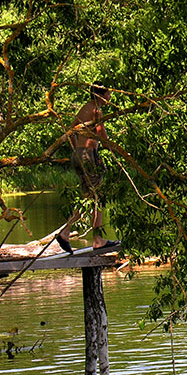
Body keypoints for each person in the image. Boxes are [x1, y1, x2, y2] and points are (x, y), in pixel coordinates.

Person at [56, 82, 118, 253]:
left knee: (89, 197)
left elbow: (70, 129)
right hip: (88, 156)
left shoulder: (85, 107)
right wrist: (115, 149)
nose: (109, 98)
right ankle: (97, 240)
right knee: (98, 196)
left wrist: (77, 149)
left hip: (79, 155)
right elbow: (102, 135)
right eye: (107, 94)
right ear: (99, 95)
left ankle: (65, 232)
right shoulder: (96, 110)